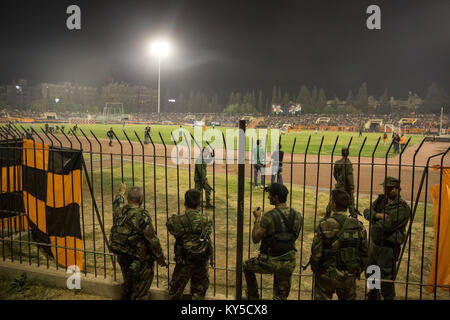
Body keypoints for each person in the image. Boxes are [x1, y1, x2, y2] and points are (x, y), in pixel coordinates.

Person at [243, 183, 303, 300]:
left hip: (270, 261)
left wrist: (257, 218)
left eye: (270, 195)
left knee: (246, 266)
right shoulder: (297, 215)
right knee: (280, 296)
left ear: (276, 197)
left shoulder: (268, 217)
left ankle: (253, 297)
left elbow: (255, 239)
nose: (268, 197)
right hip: (288, 261)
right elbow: (294, 235)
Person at [110, 183, 167, 300]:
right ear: (141, 199)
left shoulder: (119, 212)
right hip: (138, 259)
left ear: (128, 198)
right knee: (140, 292)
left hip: (122, 255)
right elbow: (152, 239)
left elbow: (116, 203)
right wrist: (160, 256)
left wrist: (121, 192)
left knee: (128, 285)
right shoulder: (142, 216)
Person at [310, 189, 368, 300]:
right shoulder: (358, 226)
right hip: (348, 275)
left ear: (334, 204)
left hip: (326, 274)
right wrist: (356, 270)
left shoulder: (325, 225)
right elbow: (364, 252)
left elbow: (316, 253)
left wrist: (316, 269)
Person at [363, 177, 411, 300]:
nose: (385, 190)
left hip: (388, 247)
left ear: (396, 189)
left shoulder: (402, 208)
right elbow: (366, 212)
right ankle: (373, 294)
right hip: (375, 244)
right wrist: (378, 215)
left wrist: (373, 220)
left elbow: (386, 226)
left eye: (388, 188)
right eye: (385, 188)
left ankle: (388, 297)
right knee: (371, 270)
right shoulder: (381, 200)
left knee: (386, 276)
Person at [166, 189, 213, 300]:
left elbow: (170, 226)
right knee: (198, 294)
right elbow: (207, 233)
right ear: (199, 203)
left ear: (185, 203)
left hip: (184, 261)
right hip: (201, 261)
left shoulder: (178, 220)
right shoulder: (207, 220)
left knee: (175, 293)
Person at [326, 148, 358, 218]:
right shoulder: (348, 163)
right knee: (351, 201)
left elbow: (334, 174)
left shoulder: (337, 162)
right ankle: (354, 216)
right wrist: (352, 187)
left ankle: (327, 214)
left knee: (333, 199)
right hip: (346, 186)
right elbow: (350, 176)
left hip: (339, 185)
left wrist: (339, 181)